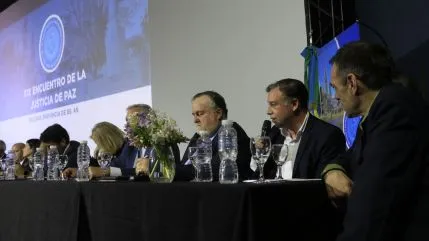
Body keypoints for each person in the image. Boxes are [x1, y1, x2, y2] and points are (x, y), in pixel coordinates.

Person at [323, 41, 429, 241]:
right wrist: (332, 170)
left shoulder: (396, 110)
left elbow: (373, 204)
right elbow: (349, 156)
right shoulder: (379, 113)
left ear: (352, 83)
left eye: (335, 88)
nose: (335, 96)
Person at [253, 78, 345, 179]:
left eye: (273, 104)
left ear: (294, 104)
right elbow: (258, 179)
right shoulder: (274, 135)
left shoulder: (327, 136)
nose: (268, 111)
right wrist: (258, 156)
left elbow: (321, 185)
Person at [175, 91, 253, 181]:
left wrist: (173, 171)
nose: (195, 120)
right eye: (194, 115)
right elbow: (185, 164)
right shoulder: (198, 136)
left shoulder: (231, 132)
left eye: (199, 114)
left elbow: (216, 168)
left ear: (218, 113)